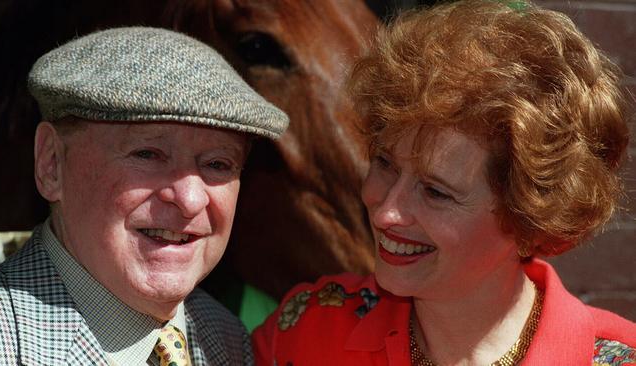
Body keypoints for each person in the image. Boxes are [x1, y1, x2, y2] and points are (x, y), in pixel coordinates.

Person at [252, 1, 636, 365]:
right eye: (385, 164)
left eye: (436, 192)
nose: (386, 212)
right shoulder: (307, 330)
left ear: (528, 221)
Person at [0, 26, 288, 365]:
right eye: (148, 154)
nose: (189, 199)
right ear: (52, 164)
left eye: (218, 163)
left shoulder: (227, 340)